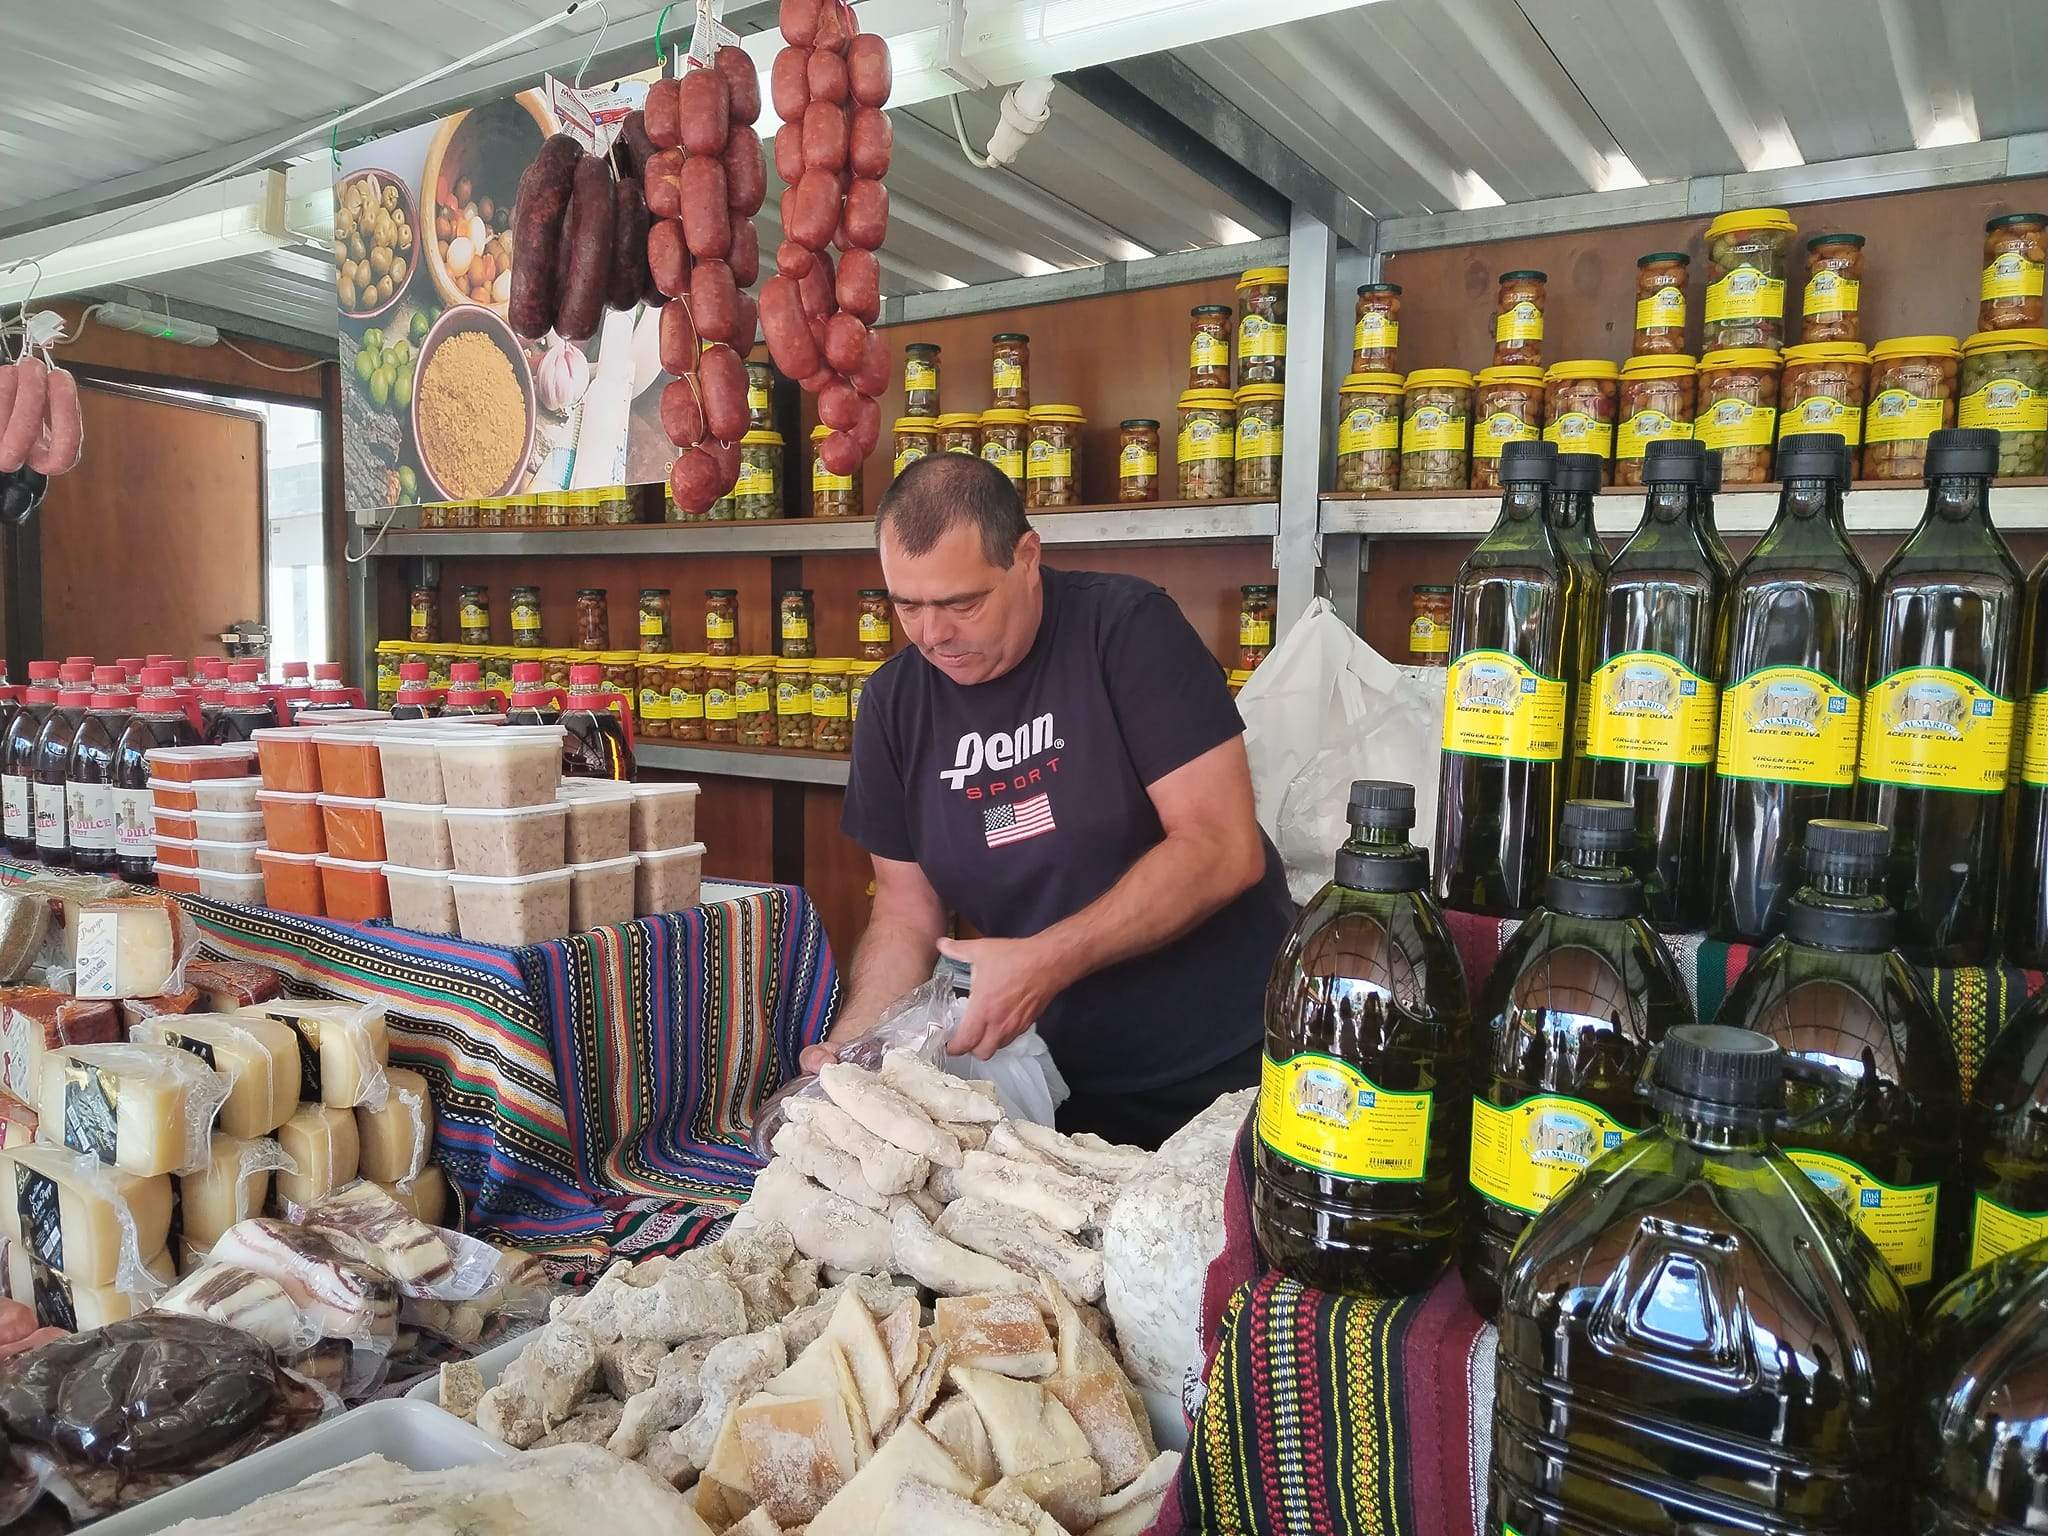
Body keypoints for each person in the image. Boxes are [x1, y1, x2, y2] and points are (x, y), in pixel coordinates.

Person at [804, 453, 1295, 1149]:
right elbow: (907, 909)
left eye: (961, 603)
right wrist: (859, 1045)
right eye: (906, 604)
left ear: (1027, 557)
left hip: (1225, 1065)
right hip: (1059, 1083)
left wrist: (1048, 959)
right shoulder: (894, 704)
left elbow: (1220, 847)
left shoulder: (1126, 632)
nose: (931, 635)